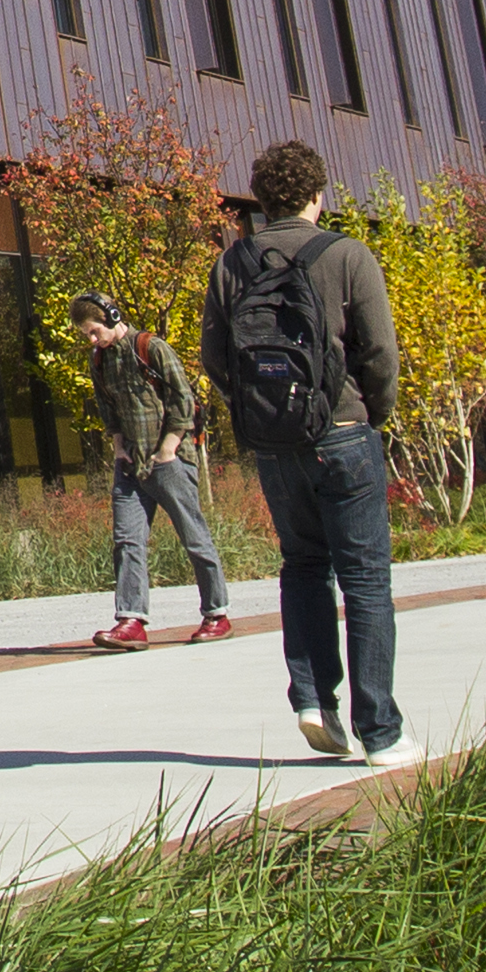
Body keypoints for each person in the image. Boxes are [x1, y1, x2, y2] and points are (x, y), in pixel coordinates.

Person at [204, 143, 406, 768]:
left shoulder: (232, 263)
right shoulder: (348, 255)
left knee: (302, 566)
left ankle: (314, 699)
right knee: (366, 579)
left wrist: (263, 414)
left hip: (275, 444)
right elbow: (380, 355)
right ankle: (381, 733)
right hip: (343, 432)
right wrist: (372, 414)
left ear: (262, 201)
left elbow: (216, 359)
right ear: (318, 195)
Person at [69, 293, 233, 649]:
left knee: (193, 535)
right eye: (87, 335)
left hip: (169, 460)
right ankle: (131, 621)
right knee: (127, 541)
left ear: (112, 317)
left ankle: (216, 613)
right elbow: (106, 405)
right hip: (131, 465)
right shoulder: (99, 360)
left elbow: (183, 399)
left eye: (95, 331)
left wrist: (169, 447)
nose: (92, 340)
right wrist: (116, 444)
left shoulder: (150, 347)